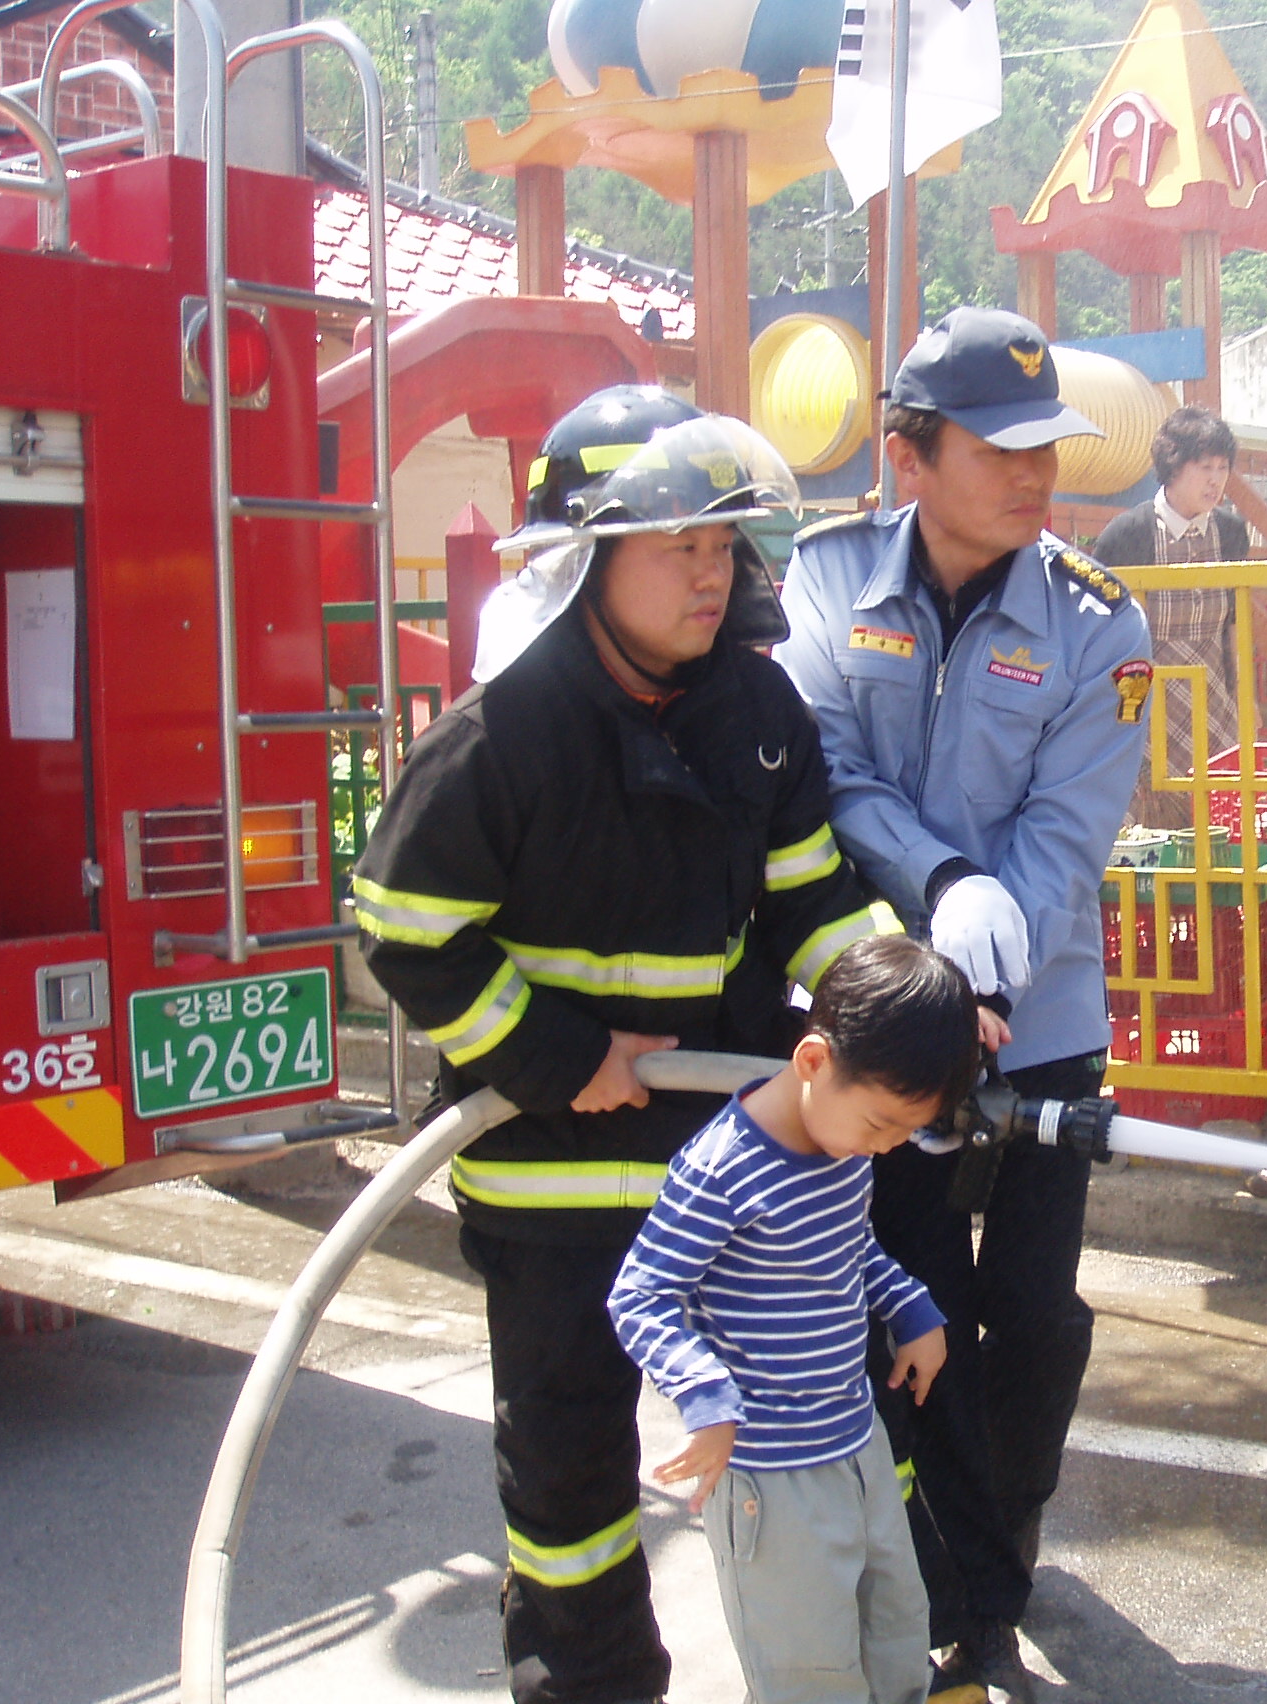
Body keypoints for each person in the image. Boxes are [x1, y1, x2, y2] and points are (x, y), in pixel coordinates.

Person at [352, 393, 899, 1704]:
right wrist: (559, 1054)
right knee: (570, 1484)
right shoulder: (504, 734)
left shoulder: (756, 712)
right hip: (550, 1181)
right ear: (586, 562)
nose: (712, 576)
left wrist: (897, 1002)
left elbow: (811, 900)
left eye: (722, 546)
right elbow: (405, 925)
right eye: (677, 548)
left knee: (801, 1442)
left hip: (724, 1179)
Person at [774, 305, 1154, 1703]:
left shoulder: (1101, 623)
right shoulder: (826, 580)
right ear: (908, 456)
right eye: (1001, 449)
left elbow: (1066, 834)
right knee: (915, 1309)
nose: (1036, 476)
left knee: (1035, 1319)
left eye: (1047, 448)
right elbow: (826, 773)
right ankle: (965, 1600)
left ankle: (1010, 1523)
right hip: (889, 1021)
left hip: (1042, 1020)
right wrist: (937, 898)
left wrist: (992, 969)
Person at [607, 935, 981, 1704]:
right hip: (770, 1481)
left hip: (857, 1445)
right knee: (809, 1675)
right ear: (813, 1061)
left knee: (897, 1634)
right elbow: (640, 1295)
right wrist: (705, 1397)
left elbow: (848, 1248)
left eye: (904, 1132)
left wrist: (908, 1304)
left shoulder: (843, 1146)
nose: (886, 1148)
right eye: (881, 1125)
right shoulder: (721, 1170)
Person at [1089, 408, 1249, 830]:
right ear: (1174, 468)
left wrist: (1243, 696)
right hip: (1145, 703)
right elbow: (1099, 633)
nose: (1216, 480)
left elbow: (1234, 622)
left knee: (1218, 826)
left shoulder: (1231, 532)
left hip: (1214, 703)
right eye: (1205, 468)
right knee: (1146, 829)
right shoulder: (1128, 533)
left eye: (1223, 468)